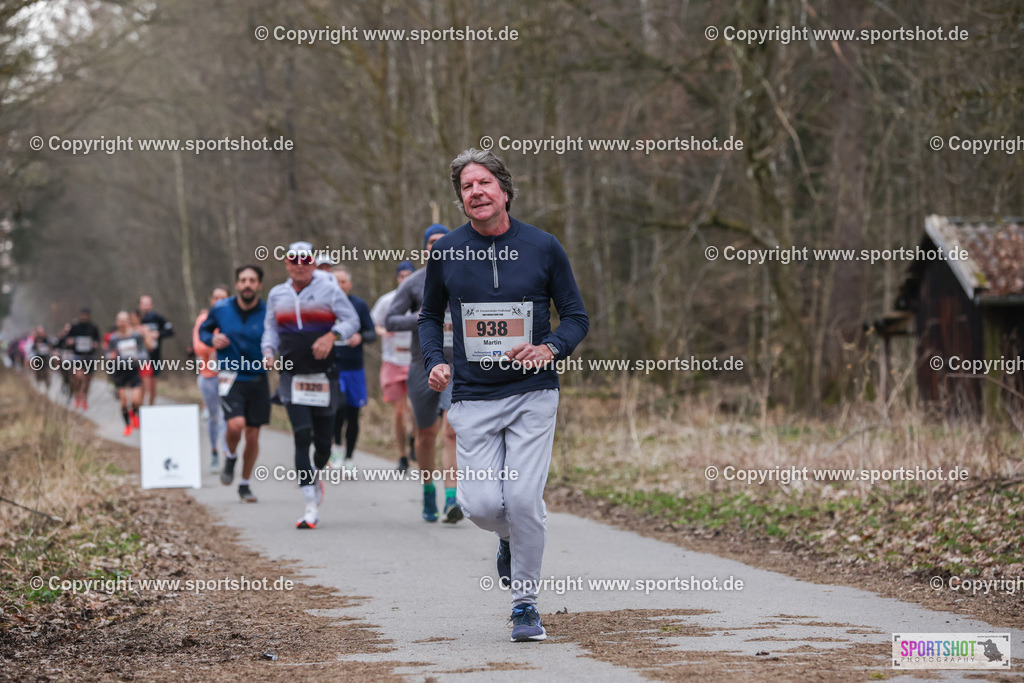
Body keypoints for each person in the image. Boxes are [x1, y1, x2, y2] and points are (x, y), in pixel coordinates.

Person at [420, 149, 589, 642]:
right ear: (461, 201)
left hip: (532, 393)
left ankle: (524, 604)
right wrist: (436, 364)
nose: (475, 191)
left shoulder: (542, 246)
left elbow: (576, 316)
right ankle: (508, 540)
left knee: (521, 496)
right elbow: (429, 318)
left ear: (504, 190)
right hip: (472, 395)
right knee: (480, 508)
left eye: (483, 183)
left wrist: (550, 348)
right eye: (466, 187)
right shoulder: (447, 251)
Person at [262, 242, 359, 529]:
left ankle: (316, 474)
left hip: (323, 375)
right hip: (292, 375)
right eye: (294, 259)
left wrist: (332, 336)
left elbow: (351, 320)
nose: (300, 264)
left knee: (322, 446)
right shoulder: (277, 294)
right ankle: (309, 505)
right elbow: (270, 327)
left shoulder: (329, 289)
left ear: (313, 263)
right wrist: (268, 351)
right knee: (301, 437)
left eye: (306, 259)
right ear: (286, 263)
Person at [386, 225, 461, 524]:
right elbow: (390, 319)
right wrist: (419, 320)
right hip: (423, 364)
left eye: (444, 242)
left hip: (458, 365)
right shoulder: (414, 283)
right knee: (426, 434)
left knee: (452, 430)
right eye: (432, 243)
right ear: (425, 248)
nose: (438, 246)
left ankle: (452, 498)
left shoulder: (465, 277)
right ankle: (428, 488)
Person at [200, 265, 271, 504]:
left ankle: (244, 484)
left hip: (258, 378)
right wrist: (212, 338)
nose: (247, 284)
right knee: (235, 426)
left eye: (252, 280)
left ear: (259, 285)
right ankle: (230, 456)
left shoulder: (269, 311)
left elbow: (279, 336)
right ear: (237, 284)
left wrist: (274, 354)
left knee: (252, 436)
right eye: (243, 280)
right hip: (230, 376)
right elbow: (203, 330)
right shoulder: (221, 309)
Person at [330, 265, 377, 471]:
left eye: (342, 281)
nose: (338, 285)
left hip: (354, 368)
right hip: (333, 366)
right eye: (334, 281)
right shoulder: (325, 305)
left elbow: (372, 333)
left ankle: (349, 458)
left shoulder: (358, 305)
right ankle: (337, 448)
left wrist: (360, 336)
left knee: (353, 413)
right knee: (337, 408)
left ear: (349, 284)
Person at [371, 261, 416, 471]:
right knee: (399, 412)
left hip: (416, 360)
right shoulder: (387, 300)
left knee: (415, 410)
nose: (404, 279)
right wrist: (383, 332)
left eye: (409, 275)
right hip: (392, 361)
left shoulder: (422, 298)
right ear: (397, 278)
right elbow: (373, 324)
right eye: (401, 276)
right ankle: (402, 456)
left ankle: (416, 440)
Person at [192, 285, 230, 473]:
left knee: (226, 417)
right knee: (213, 418)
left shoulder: (232, 319)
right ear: (211, 300)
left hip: (228, 375)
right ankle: (214, 452)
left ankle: (226, 455)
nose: (219, 302)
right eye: (216, 298)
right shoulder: (203, 320)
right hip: (208, 376)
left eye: (223, 298)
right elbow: (199, 348)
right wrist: (219, 346)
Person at [107, 311, 156, 436]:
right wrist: (110, 357)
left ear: (128, 321)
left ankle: (135, 415)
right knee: (123, 401)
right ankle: (127, 425)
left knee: (136, 400)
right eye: (120, 321)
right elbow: (108, 354)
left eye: (125, 320)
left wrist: (138, 359)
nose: (123, 323)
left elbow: (144, 354)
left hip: (133, 370)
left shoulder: (136, 336)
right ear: (117, 322)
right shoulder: (114, 338)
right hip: (119, 371)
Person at [59, 309, 101, 410]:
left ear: (89, 316)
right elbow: (65, 340)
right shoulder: (75, 327)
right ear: (80, 316)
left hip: (89, 357)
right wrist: (69, 341)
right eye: (83, 315)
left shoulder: (93, 328)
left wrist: (96, 344)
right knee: (78, 377)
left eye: (86, 315)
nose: (84, 317)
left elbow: (98, 341)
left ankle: (84, 398)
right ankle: (77, 395)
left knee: (87, 380)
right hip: (77, 356)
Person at [138, 295, 174, 405]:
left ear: (152, 305)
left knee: (153, 384)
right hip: (139, 357)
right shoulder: (136, 318)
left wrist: (158, 334)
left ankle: (151, 405)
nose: (146, 306)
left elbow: (170, 331)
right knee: (141, 384)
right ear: (139, 305)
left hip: (155, 355)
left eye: (148, 303)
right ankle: (140, 407)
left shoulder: (158, 318)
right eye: (144, 303)